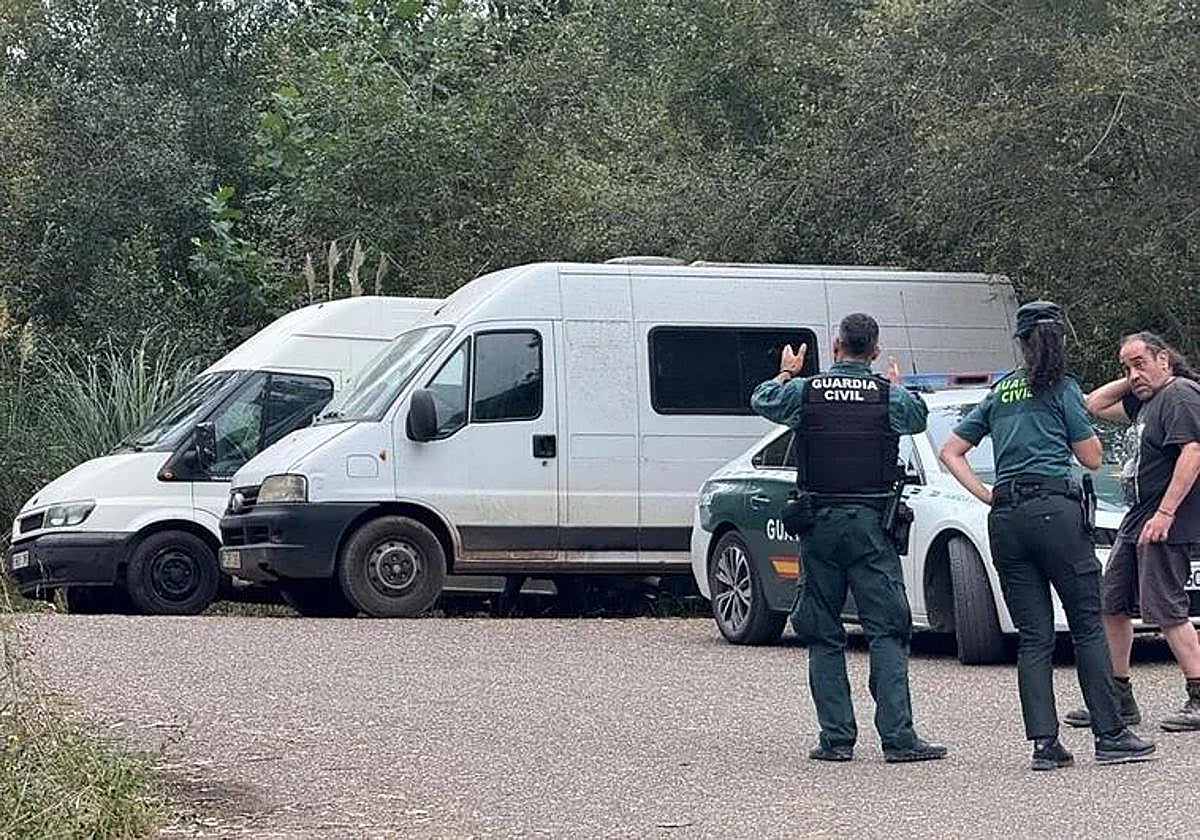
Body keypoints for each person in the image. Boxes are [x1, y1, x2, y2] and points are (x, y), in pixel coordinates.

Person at [938, 301, 1155, 769]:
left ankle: (1044, 745)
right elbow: (1092, 458)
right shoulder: (1062, 388)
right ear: (1061, 341)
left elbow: (951, 450)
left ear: (1021, 343)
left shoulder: (1000, 391)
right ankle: (1110, 735)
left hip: (1006, 518)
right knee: (1087, 625)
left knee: (1034, 636)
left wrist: (988, 495)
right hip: (1054, 512)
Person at [751, 312, 946, 763]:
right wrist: (894, 385)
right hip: (871, 527)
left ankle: (836, 740)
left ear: (836, 346)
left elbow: (762, 399)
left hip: (818, 525)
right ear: (875, 351)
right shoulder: (888, 396)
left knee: (823, 632)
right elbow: (918, 418)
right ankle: (898, 739)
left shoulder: (805, 391)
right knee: (888, 630)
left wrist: (787, 371)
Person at [1062, 332, 1200, 732]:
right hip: (1137, 518)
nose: (1133, 374)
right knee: (1113, 603)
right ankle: (1117, 698)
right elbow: (1092, 404)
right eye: (1126, 367)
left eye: (1141, 363)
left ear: (1164, 360)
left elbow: (1193, 452)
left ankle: (1197, 694)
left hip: (1166, 519)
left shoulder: (1180, 395)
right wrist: (1136, 378)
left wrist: (1166, 513)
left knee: (1166, 607)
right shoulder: (1148, 400)